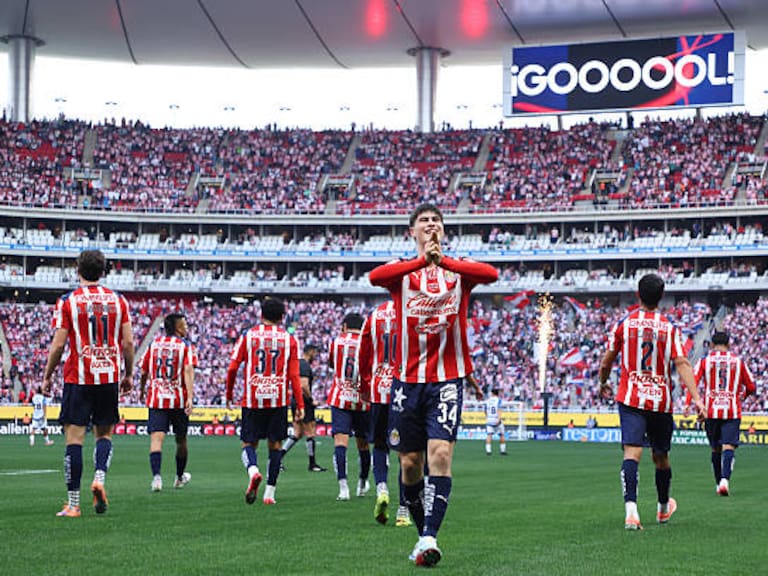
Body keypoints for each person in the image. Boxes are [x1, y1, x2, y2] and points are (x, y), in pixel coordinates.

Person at [369, 203, 498, 566]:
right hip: (407, 382)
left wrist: (444, 261)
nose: (431, 225)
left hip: (446, 381)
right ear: (412, 231)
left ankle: (429, 536)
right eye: (424, 221)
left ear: (444, 229)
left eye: (436, 220)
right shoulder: (402, 272)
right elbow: (375, 277)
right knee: (410, 464)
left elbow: (491, 274)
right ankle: (421, 535)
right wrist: (422, 261)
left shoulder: (458, 272)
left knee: (440, 455)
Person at [599, 273, 705, 531]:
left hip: (631, 397)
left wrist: (603, 381)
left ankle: (631, 512)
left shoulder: (624, 324)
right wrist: (697, 400)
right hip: (660, 401)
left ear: (638, 294)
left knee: (631, 452)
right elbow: (682, 363)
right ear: (661, 297)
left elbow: (607, 360)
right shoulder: (669, 328)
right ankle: (662, 509)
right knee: (661, 457)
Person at [42, 249, 134, 518]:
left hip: (78, 377)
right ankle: (99, 479)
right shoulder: (119, 300)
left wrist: (47, 375)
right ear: (103, 271)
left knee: (74, 439)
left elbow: (59, 344)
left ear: (77, 269)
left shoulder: (68, 301)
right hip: (108, 377)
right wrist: (128, 374)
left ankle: (73, 504)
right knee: (104, 435)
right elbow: (128, 343)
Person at [226, 297, 303, 505]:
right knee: (275, 445)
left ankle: (253, 471)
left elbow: (232, 368)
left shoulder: (248, 336)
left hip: (253, 399)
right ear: (282, 317)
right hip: (278, 400)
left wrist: (229, 394)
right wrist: (300, 404)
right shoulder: (289, 339)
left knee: (248, 443)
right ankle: (270, 493)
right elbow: (294, 375)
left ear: (261, 314)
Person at [359, 299, 410, 526]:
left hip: (379, 389)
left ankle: (382, 488)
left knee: (380, 445)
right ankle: (403, 510)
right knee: (405, 451)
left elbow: (363, 355)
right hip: (404, 390)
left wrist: (364, 387)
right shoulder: (411, 311)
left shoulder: (374, 316)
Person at [693, 331, 755, 496]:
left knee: (715, 449)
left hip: (711, 411)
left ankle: (718, 482)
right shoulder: (738, 362)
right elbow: (751, 386)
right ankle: (725, 481)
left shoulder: (705, 361)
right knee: (729, 446)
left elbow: (693, 381)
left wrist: (693, 404)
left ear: (712, 345)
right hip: (731, 410)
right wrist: (743, 396)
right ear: (729, 344)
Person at [139, 312, 196, 492]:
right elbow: (188, 370)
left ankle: (156, 478)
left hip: (157, 399)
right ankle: (179, 477)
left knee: (156, 440)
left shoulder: (153, 345)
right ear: (178, 328)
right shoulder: (184, 346)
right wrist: (190, 397)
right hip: (178, 400)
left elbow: (144, 371)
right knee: (181, 440)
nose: (186, 328)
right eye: (184, 325)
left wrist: (142, 390)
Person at [328, 312, 371, 501]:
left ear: (344, 326)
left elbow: (332, 364)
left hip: (341, 397)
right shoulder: (368, 342)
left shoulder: (336, 342)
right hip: (363, 400)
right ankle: (362, 482)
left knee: (340, 443)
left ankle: (343, 487)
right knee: (363, 444)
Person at [279, 343, 327, 472]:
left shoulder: (298, 364)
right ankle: (312, 464)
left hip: (295, 400)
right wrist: (311, 400)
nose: (316, 355)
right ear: (310, 352)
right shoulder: (304, 365)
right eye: (315, 352)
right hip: (303, 402)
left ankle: (278, 458)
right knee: (310, 432)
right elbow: (303, 385)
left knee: (298, 433)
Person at [484, 387, 506, 456]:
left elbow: (485, 411)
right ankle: (502, 451)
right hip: (496, 419)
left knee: (489, 435)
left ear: (492, 393)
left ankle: (488, 451)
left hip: (489, 419)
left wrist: (487, 417)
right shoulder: (499, 400)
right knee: (501, 435)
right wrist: (499, 419)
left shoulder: (487, 401)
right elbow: (499, 410)